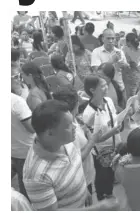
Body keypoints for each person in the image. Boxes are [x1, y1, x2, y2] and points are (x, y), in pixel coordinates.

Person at [23, 100, 121, 210]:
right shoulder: (36, 175)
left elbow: (75, 161)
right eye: (68, 125)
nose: (75, 127)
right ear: (50, 133)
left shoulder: (64, 140)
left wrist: (83, 191)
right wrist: (99, 208)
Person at [82, 75, 124, 201]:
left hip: (115, 146)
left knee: (111, 173)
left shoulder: (108, 101)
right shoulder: (88, 113)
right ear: (92, 90)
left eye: (106, 85)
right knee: (102, 176)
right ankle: (102, 197)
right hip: (101, 152)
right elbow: (95, 138)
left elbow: (114, 119)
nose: (106, 88)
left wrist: (120, 121)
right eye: (102, 86)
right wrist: (113, 131)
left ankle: (109, 192)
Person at [52, 86, 100, 195]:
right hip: (80, 181)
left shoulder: (74, 120)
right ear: (76, 105)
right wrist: (92, 141)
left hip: (85, 175)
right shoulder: (68, 131)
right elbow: (77, 159)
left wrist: (86, 130)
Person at [11, 69, 35, 200]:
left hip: (13, 150)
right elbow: (32, 128)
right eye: (15, 77)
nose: (19, 80)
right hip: (26, 150)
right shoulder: (17, 101)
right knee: (29, 188)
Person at [91, 28, 128, 103]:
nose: (110, 41)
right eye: (108, 38)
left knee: (123, 112)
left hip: (120, 87)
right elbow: (96, 71)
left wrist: (124, 65)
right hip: (105, 90)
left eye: (112, 38)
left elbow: (125, 69)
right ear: (103, 39)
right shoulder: (96, 52)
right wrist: (111, 61)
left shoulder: (119, 51)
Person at [122, 33, 140, 98]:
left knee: (132, 97)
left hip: (133, 78)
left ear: (128, 42)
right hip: (135, 78)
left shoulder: (124, 50)